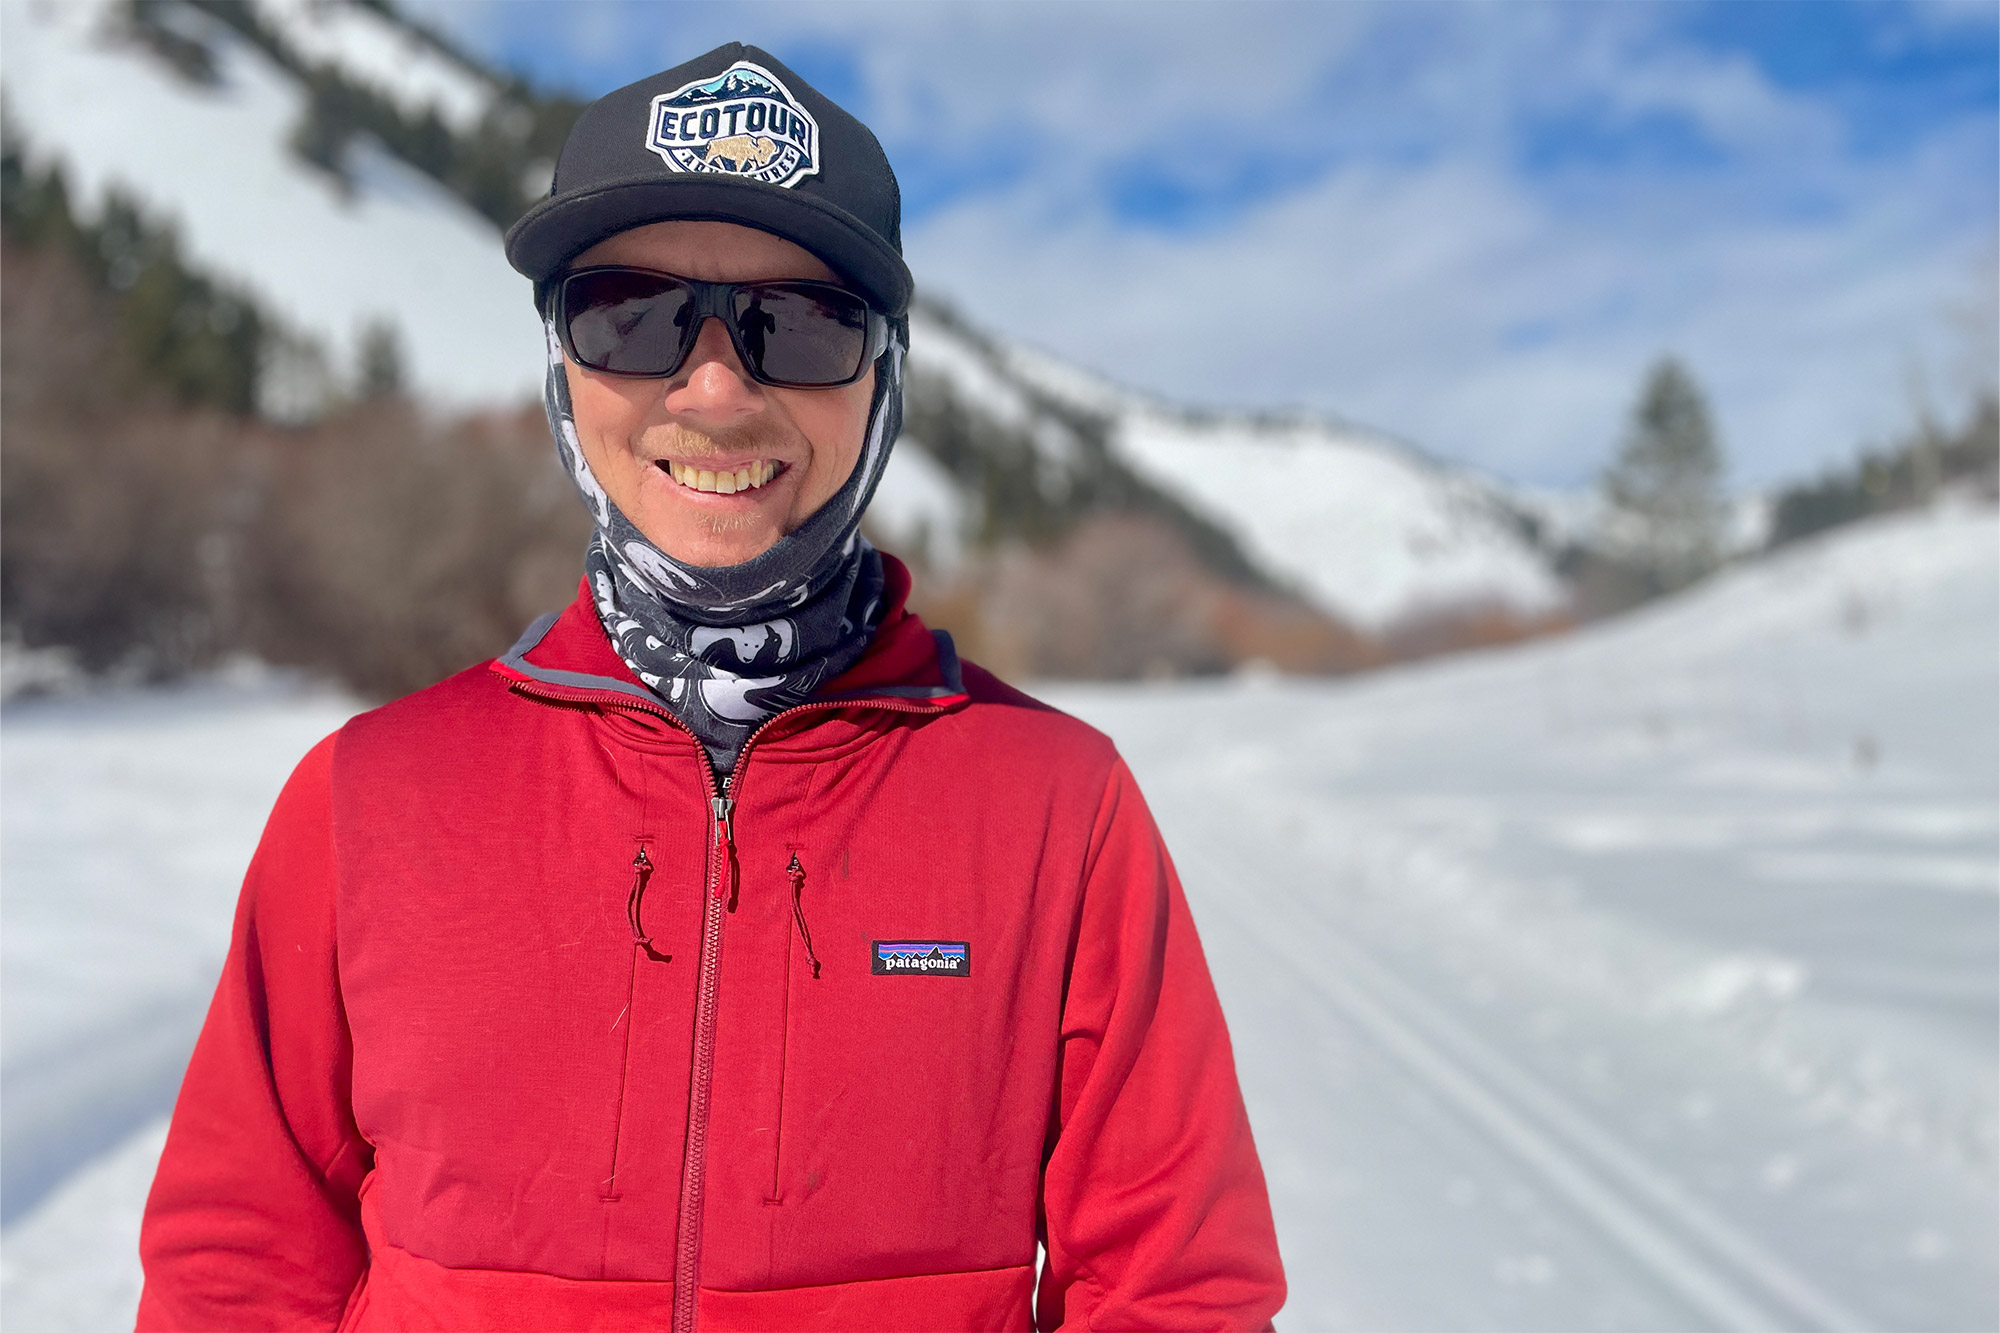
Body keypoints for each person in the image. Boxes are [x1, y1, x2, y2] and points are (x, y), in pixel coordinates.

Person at [136, 43, 1285, 1332]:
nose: (718, 387)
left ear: (885, 374)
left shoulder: (1055, 807)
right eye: (631, 313)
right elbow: (238, 1265)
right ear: (562, 364)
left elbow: (1177, 1288)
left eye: (799, 324)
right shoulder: (372, 796)